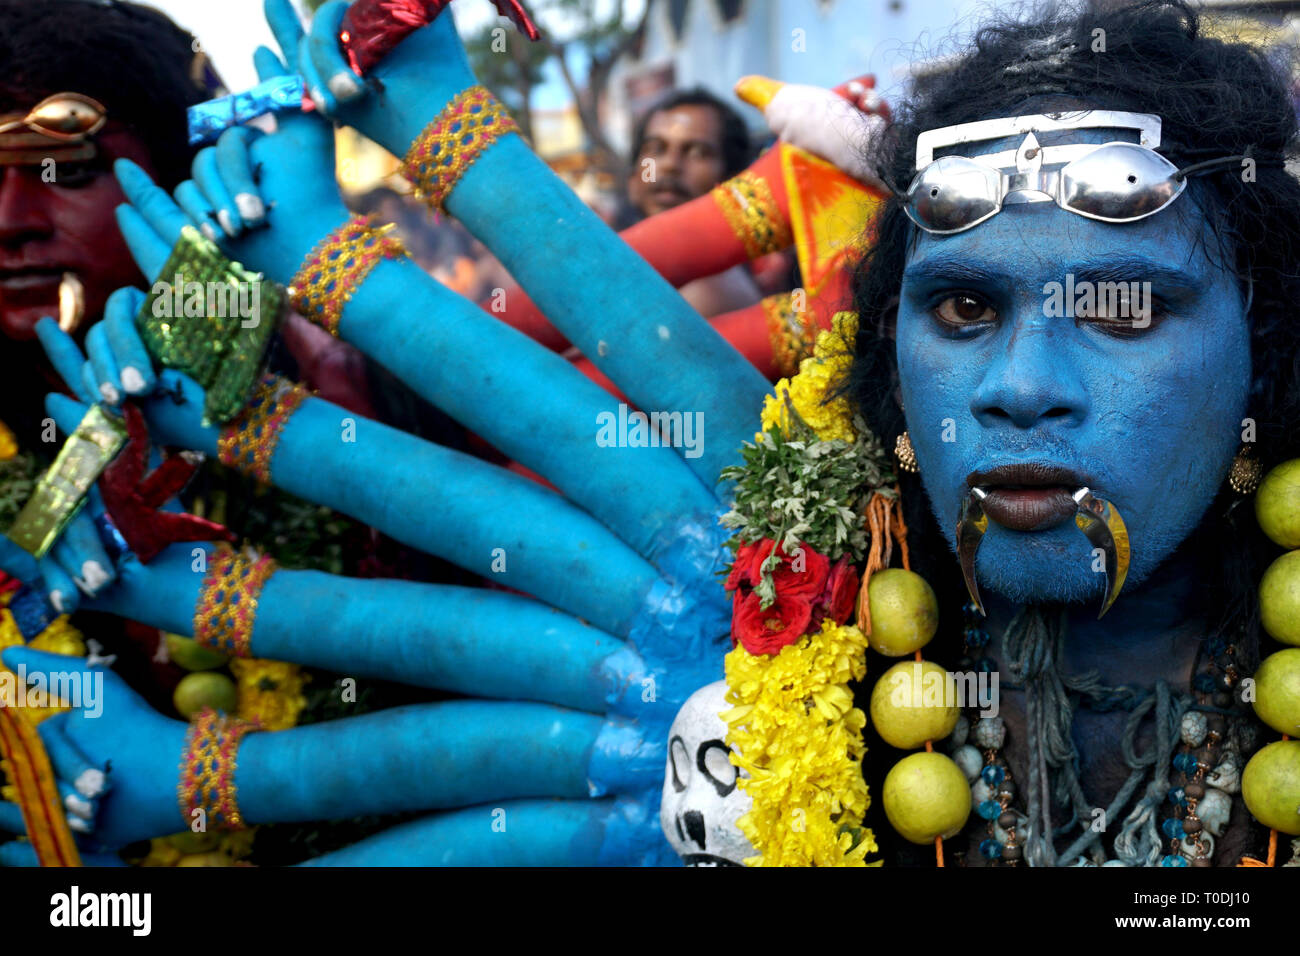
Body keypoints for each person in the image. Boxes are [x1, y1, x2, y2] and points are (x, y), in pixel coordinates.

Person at [622, 87, 763, 317]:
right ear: (632, 182)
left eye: (698, 152)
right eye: (655, 149)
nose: (670, 165)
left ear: (733, 181)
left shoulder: (708, 292)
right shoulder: (639, 272)